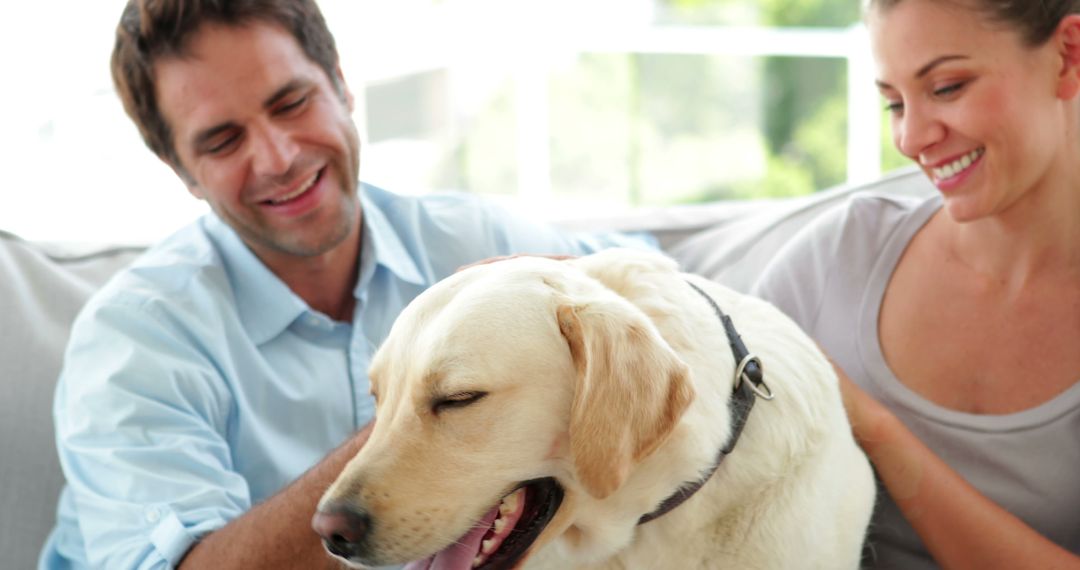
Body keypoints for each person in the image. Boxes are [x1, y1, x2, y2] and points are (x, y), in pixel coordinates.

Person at [38, 1, 652, 568]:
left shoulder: (470, 243)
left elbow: (653, 289)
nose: (278, 157)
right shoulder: (133, 339)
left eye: (291, 103)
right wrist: (422, 406)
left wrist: (567, 302)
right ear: (181, 171)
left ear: (340, 84)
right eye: (223, 140)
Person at [752, 0, 1080, 568]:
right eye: (893, 102)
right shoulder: (836, 259)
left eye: (948, 87)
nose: (910, 138)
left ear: (1068, 55)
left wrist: (872, 426)